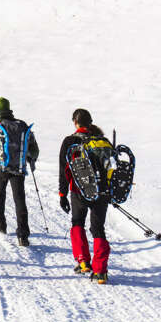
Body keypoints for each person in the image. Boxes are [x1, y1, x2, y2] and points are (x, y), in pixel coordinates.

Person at [59, 108, 112, 284]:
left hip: (79, 190)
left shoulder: (70, 141)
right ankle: (101, 272)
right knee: (98, 229)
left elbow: (63, 170)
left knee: (78, 222)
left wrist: (62, 193)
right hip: (102, 192)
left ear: (75, 122)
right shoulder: (103, 141)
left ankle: (83, 262)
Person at [0, 97, 40, 246]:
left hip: (0, 166)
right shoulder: (22, 125)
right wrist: (29, 159)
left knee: (0, 195)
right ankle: (23, 235)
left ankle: (0, 225)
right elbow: (34, 148)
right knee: (20, 199)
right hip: (18, 168)